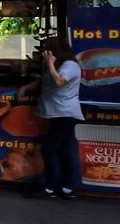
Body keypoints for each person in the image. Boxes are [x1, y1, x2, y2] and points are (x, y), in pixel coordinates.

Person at [18, 37, 83, 199]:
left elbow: (59, 81)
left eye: (46, 50)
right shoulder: (58, 65)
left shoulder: (70, 65)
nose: (43, 53)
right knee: (64, 149)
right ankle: (68, 188)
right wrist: (26, 87)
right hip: (57, 112)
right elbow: (45, 80)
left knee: (48, 148)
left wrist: (50, 63)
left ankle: (50, 188)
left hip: (64, 113)